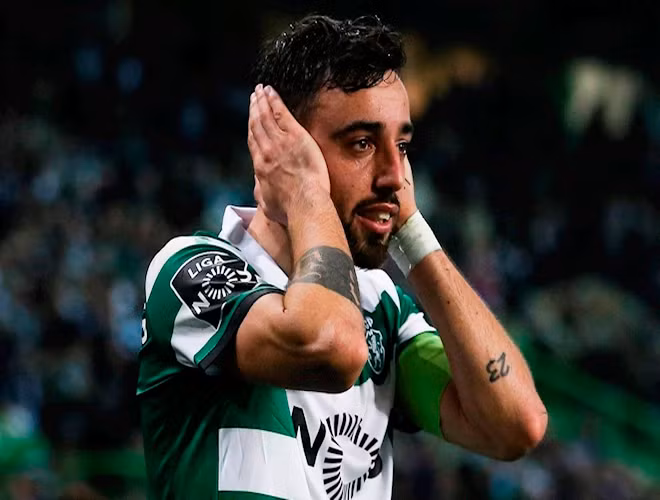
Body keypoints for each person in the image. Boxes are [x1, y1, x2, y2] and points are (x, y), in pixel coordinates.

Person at [137, 14, 548, 499]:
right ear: (284, 146)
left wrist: (411, 233)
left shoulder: (384, 309)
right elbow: (334, 348)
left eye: (401, 146)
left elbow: (515, 424)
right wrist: (305, 191)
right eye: (362, 143)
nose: (395, 176)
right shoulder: (191, 269)